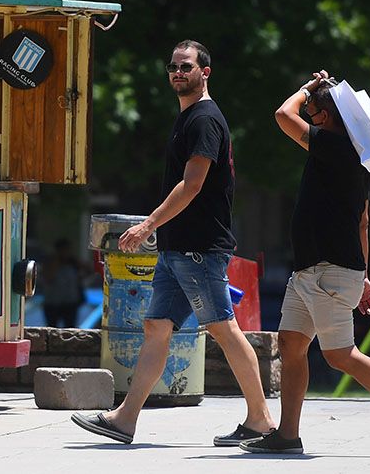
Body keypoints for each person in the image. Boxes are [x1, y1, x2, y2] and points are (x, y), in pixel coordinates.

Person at [72, 40, 275, 446]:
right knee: (156, 327)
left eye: (186, 66)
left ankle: (262, 421)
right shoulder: (187, 118)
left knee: (223, 328)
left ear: (206, 72)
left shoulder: (204, 120)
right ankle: (124, 419)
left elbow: (193, 184)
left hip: (198, 248)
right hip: (175, 248)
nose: (178, 72)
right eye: (173, 66)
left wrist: (146, 226)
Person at [240, 71, 370, 457]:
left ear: (324, 116)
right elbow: (363, 222)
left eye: (312, 109)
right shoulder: (353, 157)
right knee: (293, 346)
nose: (307, 112)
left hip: (327, 270)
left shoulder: (334, 146)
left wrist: (307, 88)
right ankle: (287, 435)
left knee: (340, 354)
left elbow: (281, 114)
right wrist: (361, 277)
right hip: (316, 270)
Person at [41, 238, 85, 328]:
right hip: (53, 303)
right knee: (51, 329)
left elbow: (86, 273)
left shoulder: (73, 264)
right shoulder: (51, 263)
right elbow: (48, 278)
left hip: (70, 304)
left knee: (70, 329)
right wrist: (56, 261)